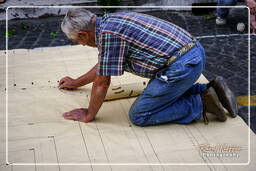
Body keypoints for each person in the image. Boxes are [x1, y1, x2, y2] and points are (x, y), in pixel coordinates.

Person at [59, 9, 238, 126]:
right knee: (159, 95)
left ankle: (201, 103)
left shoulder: (108, 35)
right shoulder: (110, 22)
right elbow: (104, 66)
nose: (81, 45)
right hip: (193, 53)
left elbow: (102, 83)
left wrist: (89, 114)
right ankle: (209, 89)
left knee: (140, 115)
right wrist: (76, 82)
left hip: (182, 67)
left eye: (77, 41)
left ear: (83, 34)